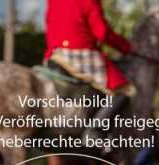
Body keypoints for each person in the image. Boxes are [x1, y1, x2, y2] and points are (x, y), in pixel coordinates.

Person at [44, 0, 135, 142]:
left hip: (54, 54)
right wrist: (127, 47)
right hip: (78, 53)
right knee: (124, 88)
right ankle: (95, 130)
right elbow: (102, 33)